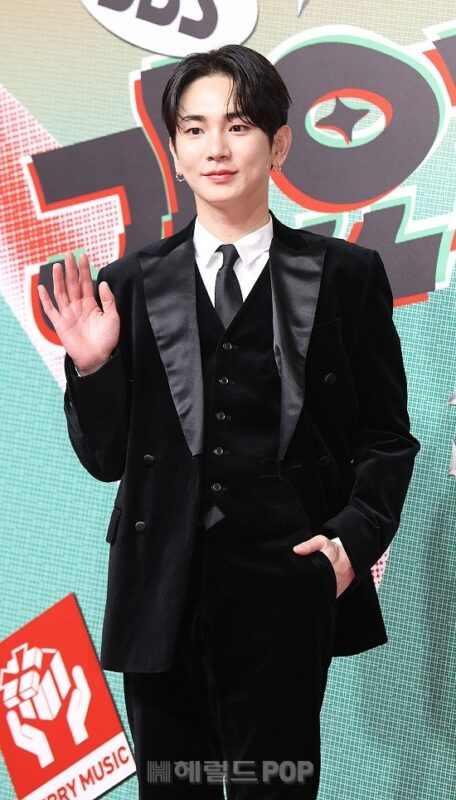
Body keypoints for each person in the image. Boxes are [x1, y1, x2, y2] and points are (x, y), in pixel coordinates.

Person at [38, 44, 419, 799]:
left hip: (287, 584)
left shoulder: (345, 277)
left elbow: (386, 437)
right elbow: (106, 459)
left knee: (275, 785)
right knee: (173, 785)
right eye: (195, 129)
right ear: (175, 151)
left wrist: (349, 543)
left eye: (238, 126)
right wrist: (93, 366)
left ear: (278, 144)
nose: (216, 147)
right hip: (161, 589)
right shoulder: (128, 286)